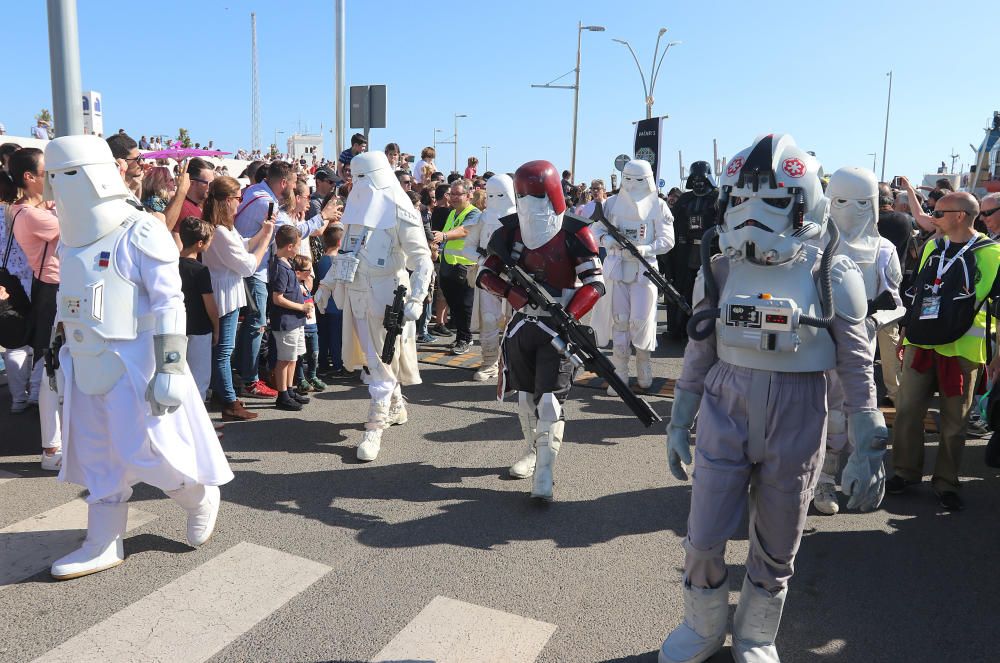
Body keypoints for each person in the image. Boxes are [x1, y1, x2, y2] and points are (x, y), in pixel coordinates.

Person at [660, 134, 885, 662]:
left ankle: (758, 633)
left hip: (799, 408)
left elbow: (856, 363)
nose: (751, 213)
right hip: (726, 402)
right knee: (704, 530)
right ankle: (703, 625)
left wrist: (869, 441)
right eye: (739, 200)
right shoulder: (718, 268)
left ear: (805, 202)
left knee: (780, 536)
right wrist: (680, 417)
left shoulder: (833, 270)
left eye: (773, 199)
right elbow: (698, 349)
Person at [44, 135, 233, 580]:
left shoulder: (141, 229)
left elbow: (171, 302)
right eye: (55, 177)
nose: (61, 186)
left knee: (150, 450)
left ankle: (198, 495)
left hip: (137, 363)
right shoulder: (70, 239)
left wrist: (169, 365)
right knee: (96, 453)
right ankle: (103, 540)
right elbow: (66, 298)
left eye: (68, 175)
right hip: (85, 359)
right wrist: (58, 351)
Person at [476, 160, 605, 500]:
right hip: (521, 322)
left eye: (535, 195)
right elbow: (485, 273)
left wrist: (569, 314)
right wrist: (510, 292)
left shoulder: (575, 231)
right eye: (522, 196)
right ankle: (532, 452)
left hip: (558, 326)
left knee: (550, 401)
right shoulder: (508, 231)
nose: (529, 203)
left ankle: (545, 470)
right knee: (524, 398)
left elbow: (594, 282)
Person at [315, 151, 433, 462]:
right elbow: (346, 254)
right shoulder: (356, 211)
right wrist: (327, 284)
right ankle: (396, 405)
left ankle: (375, 425)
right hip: (356, 296)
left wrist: (418, 298)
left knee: (381, 361)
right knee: (373, 358)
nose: (359, 184)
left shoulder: (400, 210)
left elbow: (422, 259)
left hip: (386, 295)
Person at [888, 189, 1000, 511]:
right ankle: (904, 472)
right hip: (921, 344)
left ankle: (946, 482)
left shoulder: (993, 253)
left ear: (960, 216)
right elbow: (921, 292)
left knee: (955, 422)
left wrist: (998, 355)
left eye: (938, 213)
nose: (931, 218)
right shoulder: (932, 247)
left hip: (963, 350)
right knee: (908, 412)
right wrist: (907, 331)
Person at [813, 167, 902, 516]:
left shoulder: (884, 249)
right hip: (819, 339)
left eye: (859, 202)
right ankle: (823, 478)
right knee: (826, 414)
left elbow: (894, 300)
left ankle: (858, 472)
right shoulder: (815, 242)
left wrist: (869, 318)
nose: (849, 209)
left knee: (860, 413)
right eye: (840, 201)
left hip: (862, 342)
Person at [233, 160, 339, 399]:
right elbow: (290, 234)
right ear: (283, 183)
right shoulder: (266, 202)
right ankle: (249, 381)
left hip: (252, 267)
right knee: (256, 325)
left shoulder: (256, 191)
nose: (293, 190)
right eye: (292, 184)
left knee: (255, 324)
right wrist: (321, 215)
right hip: (254, 270)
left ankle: (249, 376)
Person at [591, 159, 674, 392]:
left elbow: (667, 240)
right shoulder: (611, 204)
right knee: (620, 320)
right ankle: (620, 370)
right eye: (629, 179)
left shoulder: (659, 206)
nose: (633, 185)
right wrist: (609, 241)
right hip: (617, 268)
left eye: (638, 180)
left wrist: (644, 249)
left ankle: (643, 364)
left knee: (642, 320)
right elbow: (595, 229)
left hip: (645, 270)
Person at [201, 176, 274, 421]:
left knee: (222, 350)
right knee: (223, 351)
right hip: (224, 294)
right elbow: (247, 265)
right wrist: (265, 239)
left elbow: (242, 246)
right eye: (236, 198)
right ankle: (230, 402)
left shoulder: (224, 228)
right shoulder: (220, 231)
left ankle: (227, 396)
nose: (239, 203)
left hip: (227, 292)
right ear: (226, 201)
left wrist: (263, 233)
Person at [8, 147, 63, 470]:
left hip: (48, 287)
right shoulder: (31, 215)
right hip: (52, 289)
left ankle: (53, 445)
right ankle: (51, 447)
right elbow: (76, 223)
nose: (52, 181)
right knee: (52, 370)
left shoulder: (24, 210)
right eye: (47, 174)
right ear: (28, 178)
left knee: (52, 367)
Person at [461, 174, 515, 381]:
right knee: (490, 320)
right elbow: (468, 248)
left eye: (500, 194)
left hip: (514, 276)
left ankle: (512, 364)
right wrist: (483, 260)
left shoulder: (521, 217)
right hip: (488, 274)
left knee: (514, 321)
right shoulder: (482, 218)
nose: (496, 199)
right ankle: (489, 363)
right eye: (492, 194)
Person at [667, 161, 720, 340]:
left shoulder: (717, 197)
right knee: (683, 289)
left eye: (701, 179)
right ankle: (679, 330)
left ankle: (708, 331)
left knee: (710, 290)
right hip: (686, 251)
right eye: (694, 179)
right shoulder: (685, 199)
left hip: (711, 250)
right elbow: (674, 223)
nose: (698, 183)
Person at [431, 182, 480, 355]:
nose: (454, 197)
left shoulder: (474, 213)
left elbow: (464, 231)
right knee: (455, 306)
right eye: (452, 194)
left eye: (459, 194)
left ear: (468, 196)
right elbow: (447, 234)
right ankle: (462, 336)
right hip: (448, 265)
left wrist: (443, 236)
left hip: (464, 266)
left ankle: (464, 339)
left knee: (464, 306)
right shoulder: (452, 213)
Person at [269, 225, 312, 411]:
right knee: (284, 359)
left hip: (296, 319)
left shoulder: (287, 264)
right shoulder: (279, 267)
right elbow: (277, 298)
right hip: (286, 321)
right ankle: (282, 394)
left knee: (293, 357)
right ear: (289, 246)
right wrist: (300, 306)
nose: (298, 248)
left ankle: (289, 388)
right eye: (297, 245)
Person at [177, 217, 219, 401]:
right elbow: (210, 305)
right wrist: (216, 328)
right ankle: (199, 426)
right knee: (199, 379)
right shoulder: (200, 270)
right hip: (200, 329)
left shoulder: (172, 265)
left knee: (178, 377)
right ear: (200, 243)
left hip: (178, 326)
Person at [315, 223, 347, 377]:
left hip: (323, 305)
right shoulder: (337, 262)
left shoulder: (321, 261)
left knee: (324, 336)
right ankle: (338, 364)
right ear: (340, 242)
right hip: (336, 306)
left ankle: (323, 364)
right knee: (336, 338)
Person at [292, 254, 325, 393]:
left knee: (314, 353)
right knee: (300, 355)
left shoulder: (306, 285)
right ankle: (300, 380)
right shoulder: (295, 287)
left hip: (313, 326)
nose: (311, 273)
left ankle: (312, 376)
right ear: (298, 272)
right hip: (302, 326)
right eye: (308, 271)